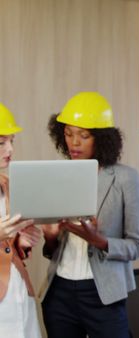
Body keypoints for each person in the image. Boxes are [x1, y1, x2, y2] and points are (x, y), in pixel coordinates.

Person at [40, 92, 139, 338]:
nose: (74, 142)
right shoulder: (58, 175)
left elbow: (136, 246)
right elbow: (51, 249)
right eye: (68, 133)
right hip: (59, 292)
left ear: (102, 138)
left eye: (83, 136)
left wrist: (98, 239)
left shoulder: (125, 178)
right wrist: (51, 237)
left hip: (102, 293)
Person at [0, 102, 41, 338]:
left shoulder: (8, 185)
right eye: (1, 142)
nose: (10, 149)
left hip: (18, 290)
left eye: (12, 141)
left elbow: (8, 247)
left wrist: (20, 243)